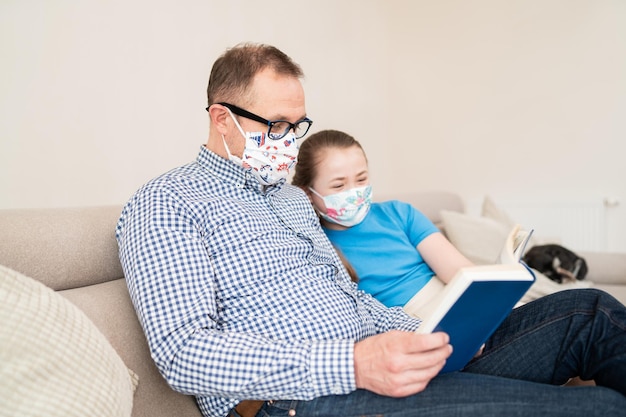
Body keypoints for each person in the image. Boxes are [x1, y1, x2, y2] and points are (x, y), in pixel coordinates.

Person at [116, 42, 626, 417]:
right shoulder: (166, 203)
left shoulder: (293, 201)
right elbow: (185, 352)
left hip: (390, 365)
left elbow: (351, 299)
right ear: (221, 118)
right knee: (600, 407)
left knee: (590, 310)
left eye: (298, 128)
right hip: (302, 400)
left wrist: (434, 333)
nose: (289, 143)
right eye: (276, 127)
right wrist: (353, 364)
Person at [291, 129, 473, 317]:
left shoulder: (399, 213)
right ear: (308, 193)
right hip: (410, 327)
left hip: (454, 302)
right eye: (339, 185)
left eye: (361, 179)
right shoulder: (314, 247)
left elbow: (460, 272)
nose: (354, 193)